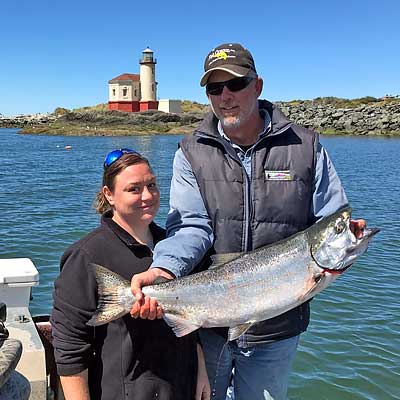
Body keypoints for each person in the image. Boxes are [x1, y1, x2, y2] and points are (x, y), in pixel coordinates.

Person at [129, 43, 366, 400]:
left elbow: (332, 218)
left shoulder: (306, 146)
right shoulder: (190, 151)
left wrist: (344, 245)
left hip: (277, 331)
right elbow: (191, 226)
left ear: (257, 86)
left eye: (236, 84)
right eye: (214, 88)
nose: (225, 96)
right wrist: (163, 271)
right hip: (209, 323)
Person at [50, 149, 210, 400]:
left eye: (152, 185)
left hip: (182, 385)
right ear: (109, 195)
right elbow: (69, 344)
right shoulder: (87, 255)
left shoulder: (176, 248)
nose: (147, 196)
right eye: (134, 189)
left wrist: (202, 369)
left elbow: (194, 318)